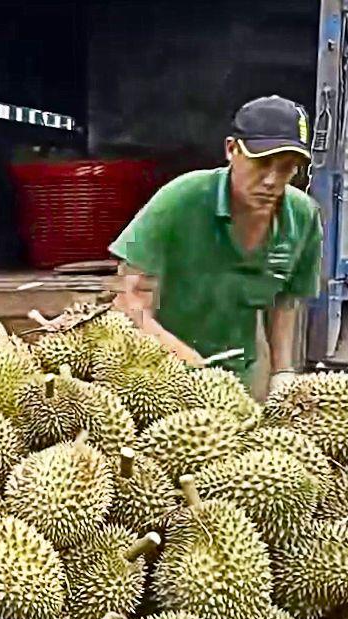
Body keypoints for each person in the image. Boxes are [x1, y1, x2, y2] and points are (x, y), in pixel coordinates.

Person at [109, 96, 324, 398]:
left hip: (243, 380)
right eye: (261, 163)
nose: (271, 180)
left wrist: (282, 371)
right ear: (231, 149)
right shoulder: (180, 199)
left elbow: (286, 302)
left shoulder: (303, 216)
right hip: (158, 378)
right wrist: (190, 367)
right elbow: (129, 303)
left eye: (287, 168)